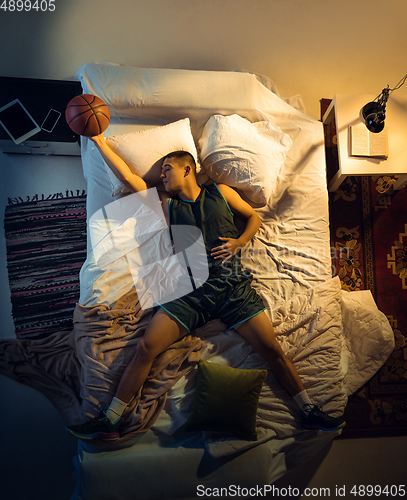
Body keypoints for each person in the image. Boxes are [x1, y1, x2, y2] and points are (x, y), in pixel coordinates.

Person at [67, 135, 345, 441]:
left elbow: (252, 217)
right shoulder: (165, 203)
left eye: (166, 168)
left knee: (272, 350)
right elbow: (128, 177)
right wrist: (97, 140)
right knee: (145, 348)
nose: (161, 175)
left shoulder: (221, 192)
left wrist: (240, 242)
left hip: (232, 289)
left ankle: (309, 412)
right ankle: (111, 420)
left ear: (187, 170)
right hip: (189, 294)